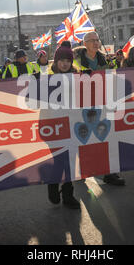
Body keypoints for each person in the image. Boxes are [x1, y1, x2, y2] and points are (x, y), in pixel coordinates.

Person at [73, 32, 125, 186]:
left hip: (102, 104)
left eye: (98, 40)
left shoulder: (104, 59)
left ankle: (108, 172)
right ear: (85, 43)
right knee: (83, 138)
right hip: (82, 105)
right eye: (93, 40)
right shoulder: (75, 60)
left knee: (105, 138)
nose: (96, 43)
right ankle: (81, 170)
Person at [47, 44, 81, 209]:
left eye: (68, 60)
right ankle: (53, 185)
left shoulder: (78, 77)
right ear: (56, 61)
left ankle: (68, 194)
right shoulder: (47, 78)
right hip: (55, 126)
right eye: (62, 60)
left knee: (71, 161)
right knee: (59, 160)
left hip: (74, 124)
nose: (65, 64)